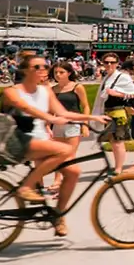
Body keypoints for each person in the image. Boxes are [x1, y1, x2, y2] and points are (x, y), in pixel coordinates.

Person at [1, 53, 109, 236]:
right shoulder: (12, 91)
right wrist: (49, 118)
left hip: (40, 140)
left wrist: (90, 118)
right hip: (18, 140)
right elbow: (27, 108)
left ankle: (58, 216)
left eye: (45, 66)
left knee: (74, 172)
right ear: (26, 71)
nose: (43, 70)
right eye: (37, 67)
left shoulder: (46, 91)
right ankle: (26, 187)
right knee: (64, 150)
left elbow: (63, 112)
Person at [94, 55, 134, 175]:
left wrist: (116, 93)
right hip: (108, 112)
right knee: (113, 141)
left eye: (112, 62)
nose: (109, 65)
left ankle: (118, 168)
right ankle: (117, 166)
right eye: (106, 62)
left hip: (118, 112)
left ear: (117, 63)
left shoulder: (123, 77)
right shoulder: (107, 77)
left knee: (118, 141)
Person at [48, 61, 89, 193]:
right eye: (56, 73)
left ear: (69, 73)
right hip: (58, 124)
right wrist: (48, 126)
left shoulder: (77, 87)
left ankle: (66, 182)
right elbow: (50, 110)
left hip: (74, 124)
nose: (58, 75)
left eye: (61, 72)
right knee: (58, 154)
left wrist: (85, 124)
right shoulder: (53, 90)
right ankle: (57, 180)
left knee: (70, 155)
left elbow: (85, 106)